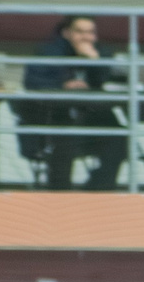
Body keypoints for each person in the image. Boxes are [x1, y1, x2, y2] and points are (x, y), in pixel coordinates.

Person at [22, 13, 125, 191]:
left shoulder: (101, 52)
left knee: (121, 138)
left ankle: (97, 189)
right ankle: (59, 193)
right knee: (64, 141)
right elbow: (32, 83)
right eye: (79, 31)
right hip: (55, 117)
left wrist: (95, 63)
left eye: (90, 32)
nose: (86, 37)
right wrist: (63, 86)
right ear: (66, 33)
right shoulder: (49, 52)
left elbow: (106, 83)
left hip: (91, 118)